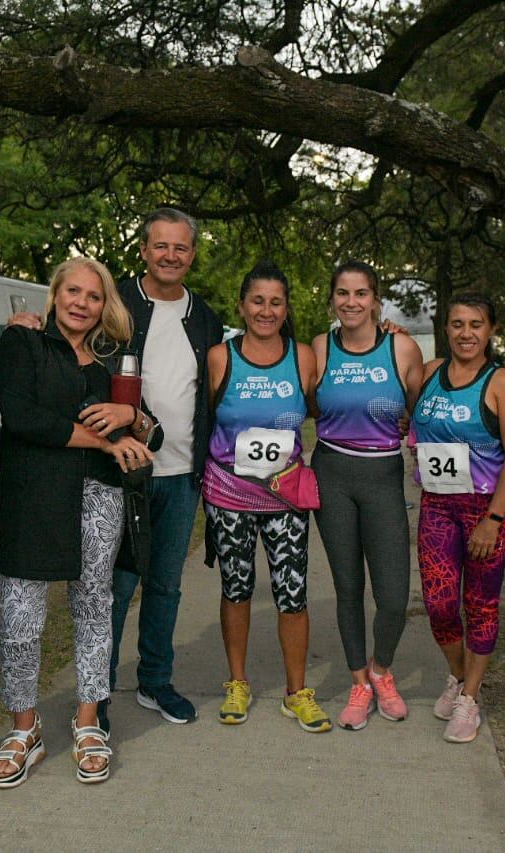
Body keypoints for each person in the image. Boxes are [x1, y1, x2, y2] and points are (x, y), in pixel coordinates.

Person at [6, 208, 223, 731]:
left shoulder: (206, 318)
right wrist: (26, 322)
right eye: (161, 245)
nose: (171, 255)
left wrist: (138, 419)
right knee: (114, 590)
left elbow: (207, 391)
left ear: (192, 255)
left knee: (166, 585)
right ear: (144, 250)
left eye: (182, 247)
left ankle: (155, 680)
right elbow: (47, 384)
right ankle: (95, 696)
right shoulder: (114, 304)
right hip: (120, 476)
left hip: (177, 469)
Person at [0, 257, 159, 787]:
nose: (82, 303)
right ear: (55, 295)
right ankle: (24, 728)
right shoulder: (25, 344)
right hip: (32, 499)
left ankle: (88, 722)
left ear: (104, 304)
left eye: (93, 295)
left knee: (93, 609)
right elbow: (22, 416)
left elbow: (151, 434)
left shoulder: (113, 363)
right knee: (20, 618)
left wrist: (130, 417)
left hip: (99, 497)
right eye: (73, 292)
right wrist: (105, 439)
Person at [204, 260, 328, 732]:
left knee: (292, 594)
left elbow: (323, 407)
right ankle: (237, 682)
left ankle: (297, 693)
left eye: (276, 302)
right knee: (235, 588)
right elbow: (205, 421)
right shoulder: (221, 357)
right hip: (229, 491)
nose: (266, 310)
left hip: (285, 495)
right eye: (258, 300)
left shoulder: (301, 357)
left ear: (286, 308)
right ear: (242, 305)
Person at [410, 291, 505, 743]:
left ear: (491, 330)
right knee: (440, 604)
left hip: (485, 510)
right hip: (438, 504)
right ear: (446, 327)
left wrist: (494, 519)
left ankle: (471, 699)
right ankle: (458, 677)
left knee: (480, 605)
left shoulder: (501, 384)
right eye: (457, 323)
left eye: (476, 324)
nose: (466, 333)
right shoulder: (431, 372)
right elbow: (411, 419)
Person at [311, 261, 425, 730]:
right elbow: (309, 402)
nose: (351, 302)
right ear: (333, 299)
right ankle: (359, 682)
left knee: (394, 595)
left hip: (382, 474)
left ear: (376, 300)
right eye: (343, 293)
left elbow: (418, 410)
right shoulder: (319, 348)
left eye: (361, 294)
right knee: (348, 587)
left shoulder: (401, 347)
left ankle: (382, 670)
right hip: (333, 471)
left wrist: (405, 424)